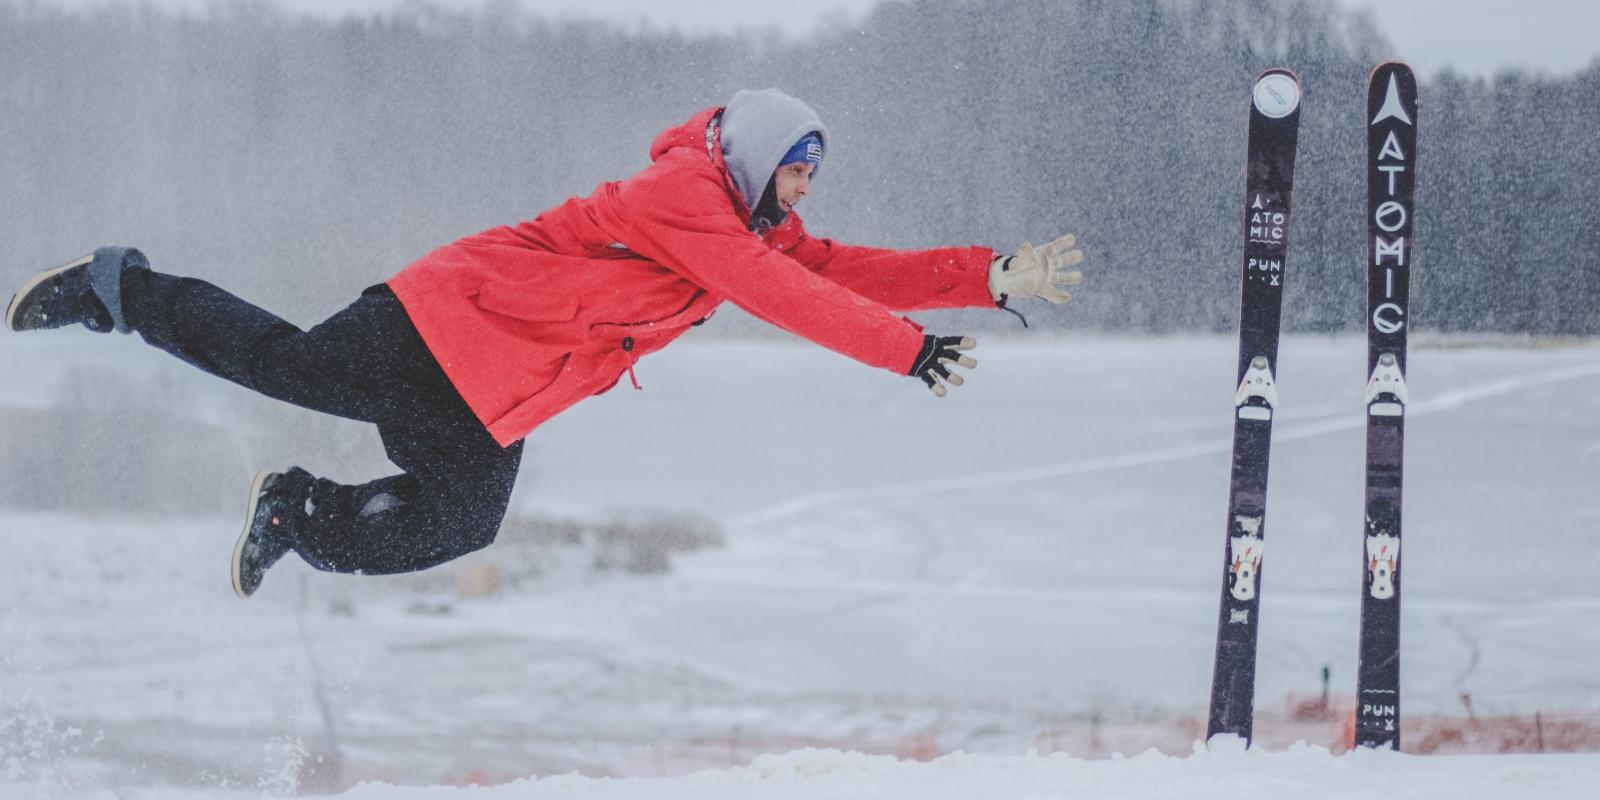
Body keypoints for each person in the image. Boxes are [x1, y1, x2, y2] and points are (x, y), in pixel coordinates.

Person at [4, 88, 1084, 598]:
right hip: (442, 327)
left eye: (808, 173)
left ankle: (302, 510)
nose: (805, 187)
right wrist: (904, 350)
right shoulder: (684, 198)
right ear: (756, 158)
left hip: (499, 394)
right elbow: (769, 289)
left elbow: (834, 268)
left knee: (457, 524)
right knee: (281, 363)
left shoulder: (751, 222)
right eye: (798, 167)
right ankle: (117, 287)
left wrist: (981, 275)